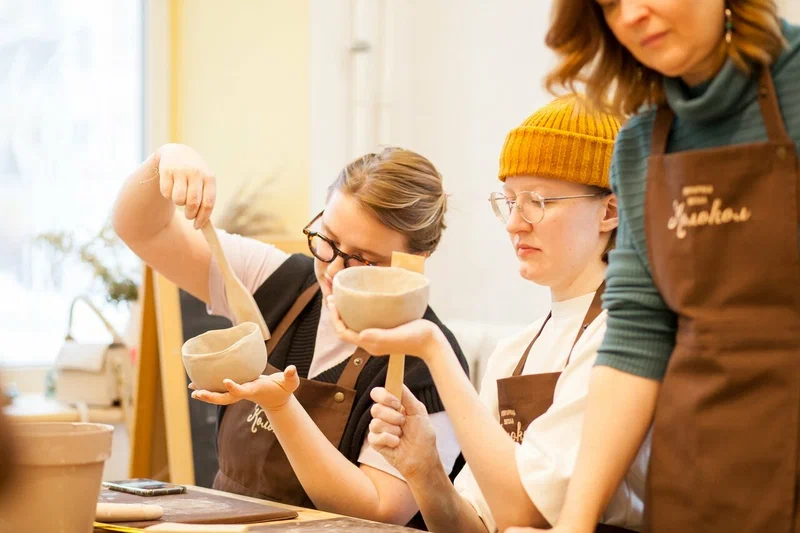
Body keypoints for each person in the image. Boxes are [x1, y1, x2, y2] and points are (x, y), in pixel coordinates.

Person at [510, 2, 800, 532]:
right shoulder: (642, 143)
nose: (632, 15)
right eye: (610, 4)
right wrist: (575, 523)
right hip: (696, 481)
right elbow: (637, 338)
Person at [329, 95, 649, 532]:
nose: (515, 223)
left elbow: (529, 515)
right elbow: (476, 526)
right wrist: (425, 470)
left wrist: (434, 348)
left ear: (609, 211)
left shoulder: (623, 338)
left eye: (538, 201)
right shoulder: (513, 353)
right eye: (510, 201)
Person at [112, 144, 468, 526]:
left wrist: (281, 407)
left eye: (364, 260)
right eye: (328, 241)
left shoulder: (427, 363)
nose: (333, 271)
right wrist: (165, 160)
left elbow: (380, 510)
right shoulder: (277, 281)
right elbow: (142, 230)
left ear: (414, 262)